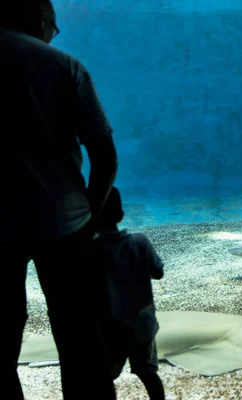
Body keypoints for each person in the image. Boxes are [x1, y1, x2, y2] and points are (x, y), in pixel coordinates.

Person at [0, 1, 118, 399]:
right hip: (63, 222)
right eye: (55, 27)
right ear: (41, 19)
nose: (54, 34)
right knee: (81, 335)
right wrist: (89, 217)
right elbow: (105, 156)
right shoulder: (64, 66)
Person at [93, 187, 166, 400]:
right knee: (149, 374)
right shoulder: (140, 241)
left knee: (104, 377)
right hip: (142, 325)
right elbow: (158, 272)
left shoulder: (92, 249)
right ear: (121, 215)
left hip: (109, 326)